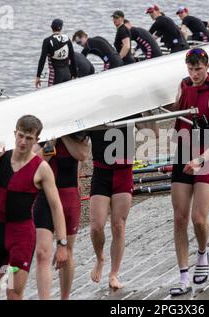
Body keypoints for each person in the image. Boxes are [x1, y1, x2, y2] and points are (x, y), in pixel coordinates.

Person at [0, 115, 68, 300]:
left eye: (29, 138)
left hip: (21, 237)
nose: (23, 142)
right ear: (14, 133)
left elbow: (56, 207)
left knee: (13, 293)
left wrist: (62, 245)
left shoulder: (41, 168)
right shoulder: (2, 160)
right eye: (20, 136)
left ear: (37, 140)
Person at [167, 48, 209, 296]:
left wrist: (201, 158)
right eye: (191, 69)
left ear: (207, 66)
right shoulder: (184, 86)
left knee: (198, 218)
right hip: (184, 151)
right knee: (180, 218)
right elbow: (176, 109)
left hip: (207, 154)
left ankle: (203, 253)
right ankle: (184, 276)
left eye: (199, 69)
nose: (194, 74)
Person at [85, 112, 144, 290]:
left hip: (124, 171)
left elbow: (153, 131)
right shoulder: (93, 108)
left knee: (118, 225)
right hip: (101, 171)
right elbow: (79, 142)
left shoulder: (129, 105)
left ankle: (113, 274)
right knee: (96, 226)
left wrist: (151, 106)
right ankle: (100, 258)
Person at [33, 135, 89, 300]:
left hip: (68, 196)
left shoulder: (78, 136)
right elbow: (34, 164)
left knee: (66, 252)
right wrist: (51, 143)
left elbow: (82, 155)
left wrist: (64, 137)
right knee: (42, 253)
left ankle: (65, 297)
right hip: (45, 197)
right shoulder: (44, 138)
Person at [36, 19, 77, 88]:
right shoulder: (67, 39)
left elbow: (42, 60)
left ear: (51, 28)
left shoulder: (47, 41)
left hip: (55, 77)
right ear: (61, 27)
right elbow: (72, 58)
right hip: (67, 75)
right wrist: (75, 75)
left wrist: (38, 76)